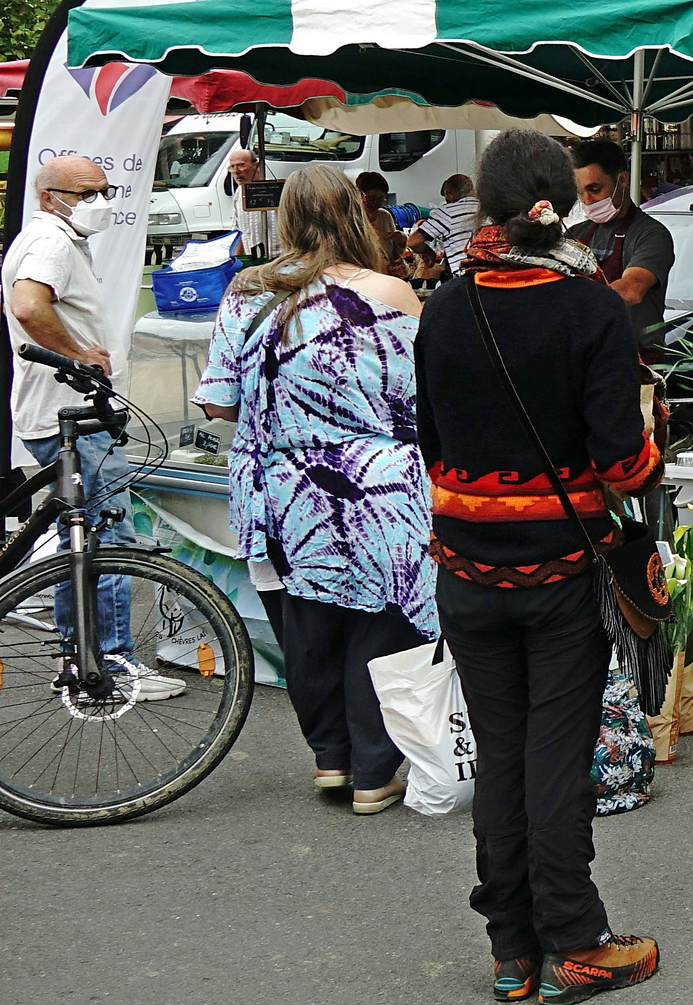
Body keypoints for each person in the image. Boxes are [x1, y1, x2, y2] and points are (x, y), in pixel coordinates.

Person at [417, 129, 663, 1005]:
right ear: (562, 201)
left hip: (466, 571)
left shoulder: (444, 305)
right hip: (558, 570)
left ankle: (511, 948)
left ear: (484, 205)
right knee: (556, 756)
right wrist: (647, 456)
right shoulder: (589, 305)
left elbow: (432, 439)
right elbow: (620, 458)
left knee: (503, 752)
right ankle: (575, 941)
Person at [192, 163, 434, 816]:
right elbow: (420, 399)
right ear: (357, 214)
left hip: (275, 492)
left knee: (305, 631)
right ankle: (374, 774)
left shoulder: (248, 290)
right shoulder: (393, 293)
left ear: (285, 220)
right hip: (375, 490)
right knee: (380, 630)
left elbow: (217, 404)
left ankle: (330, 760)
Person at [2, 157, 186, 700]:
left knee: (78, 540)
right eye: (87, 193)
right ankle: (111, 663)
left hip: (63, 413)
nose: (100, 201)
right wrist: (79, 354)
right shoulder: (51, 242)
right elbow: (29, 307)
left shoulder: (53, 238)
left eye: (105, 190)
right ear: (51, 195)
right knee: (106, 539)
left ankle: (78, 658)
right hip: (70, 416)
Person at [568, 138, 675, 363]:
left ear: (623, 180)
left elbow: (631, 290)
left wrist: (570, 305)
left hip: (638, 361)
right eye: (580, 192)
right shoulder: (576, 233)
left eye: (595, 189)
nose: (587, 200)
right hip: (588, 355)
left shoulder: (651, 235)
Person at [408, 174, 479, 280]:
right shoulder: (486, 207)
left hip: (465, 273)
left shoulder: (448, 211)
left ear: (449, 194)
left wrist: (429, 252)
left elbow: (413, 241)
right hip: (492, 272)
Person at [228, 148, 281, 259]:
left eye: (241, 165)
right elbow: (238, 235)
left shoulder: (274, 191)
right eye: (232, 167)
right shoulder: (239, 193)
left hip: (278, 260)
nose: (236, 171)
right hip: (253, 261)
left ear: (256, 165)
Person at [356, 171, 409, 278]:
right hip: (362, 276)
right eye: (371, 197)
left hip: (385, 276)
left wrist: (401, 241)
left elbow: (393, 254)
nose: (376, 201)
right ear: (359, 194)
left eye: (380, 198)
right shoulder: (353, 217)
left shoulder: (385, 216)